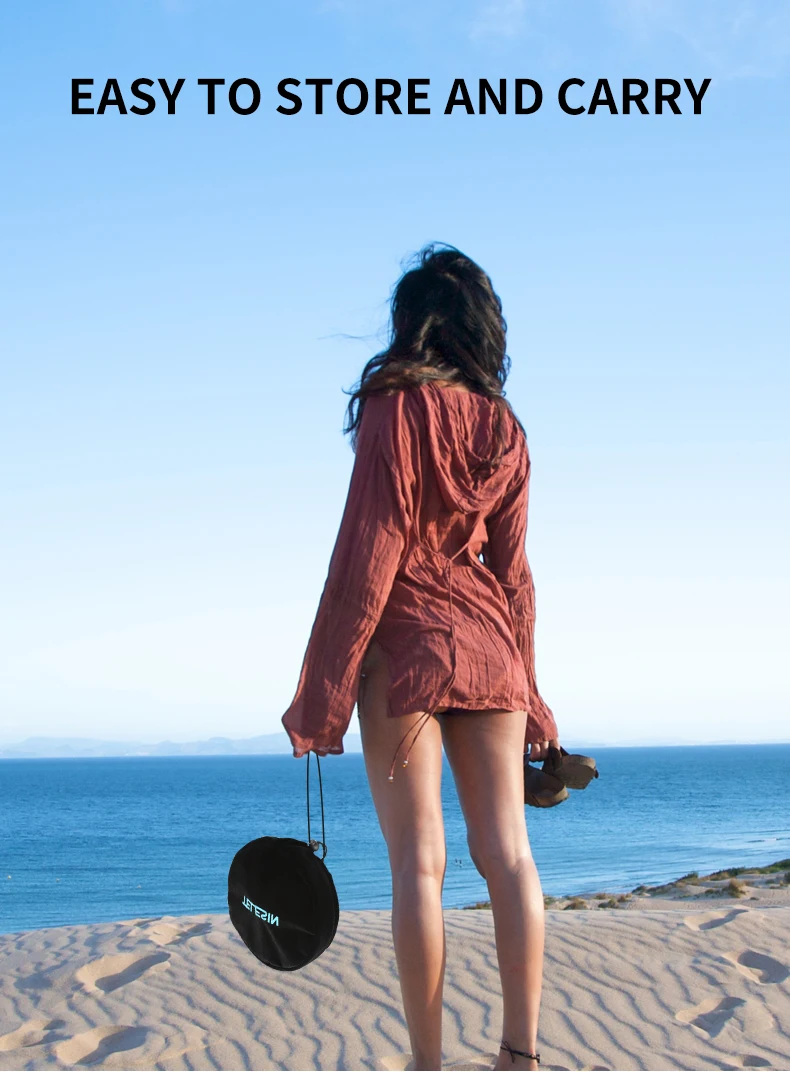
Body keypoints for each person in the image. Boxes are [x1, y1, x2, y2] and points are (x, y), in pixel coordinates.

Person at [282, 242, 560, 1072]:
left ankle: (428, 1065)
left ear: (412, 325)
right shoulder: (506, 429)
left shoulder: (394, 408)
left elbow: (368, 554)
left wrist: (323, 694)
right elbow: (514, 574)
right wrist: (535, 694)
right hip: (491, 648)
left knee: (418, 863)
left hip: (405, 646)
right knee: (509, 855)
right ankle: (520, 1054)